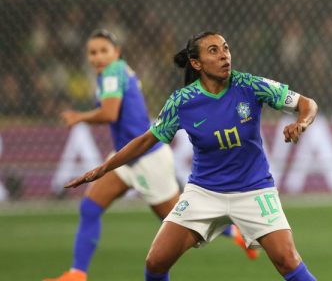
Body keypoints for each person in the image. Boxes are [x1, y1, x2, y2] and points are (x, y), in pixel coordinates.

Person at [64, 32, 318, 281]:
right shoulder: (182, 102)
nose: (224, 56)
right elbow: (146, 141)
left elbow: (307, 103)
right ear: (196, 63)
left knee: (288, 261)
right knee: (155, 262)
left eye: (226, 48)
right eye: (213, 51)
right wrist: (103, 168)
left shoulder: (250, 85)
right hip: (204, 193)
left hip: (254, 190)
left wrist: (302, 123)